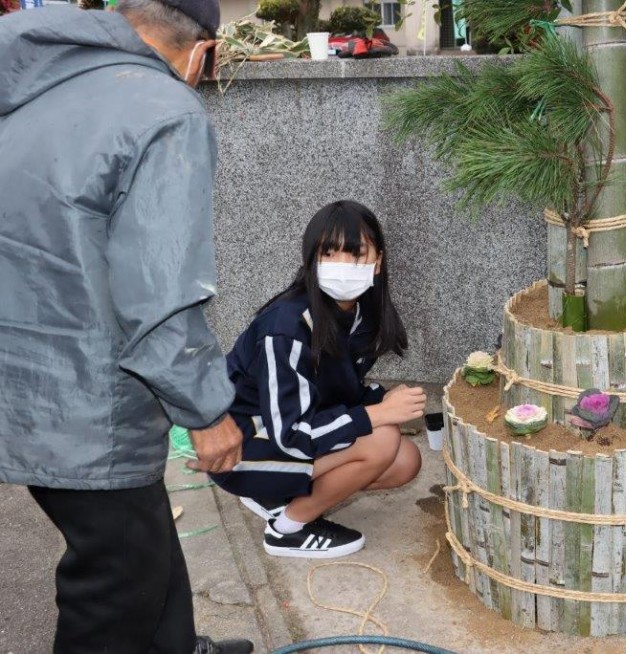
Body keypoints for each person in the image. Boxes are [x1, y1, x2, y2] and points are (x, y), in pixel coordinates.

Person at [0, 2, 253, 653]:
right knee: (114, 587)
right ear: (202, 54)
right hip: (86, 399)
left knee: (145, 546)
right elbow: (159, 290)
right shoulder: (163, 109)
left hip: (27, 374)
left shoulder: (40, 83)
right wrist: (207, 410)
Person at [212, 201, 424, 558]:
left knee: (405, 460)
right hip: (240, 448)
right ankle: (287, 530)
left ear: (378, 262)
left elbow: (334, 391)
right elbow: (291, 433)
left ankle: (276, 496)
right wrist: (377, 415)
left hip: (278, 441)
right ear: (312, 258)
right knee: (382, 438)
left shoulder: (358, 315)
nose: (343, 265)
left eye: (356, 253)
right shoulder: (286, 328)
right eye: (329, 252)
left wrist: (381, 400)